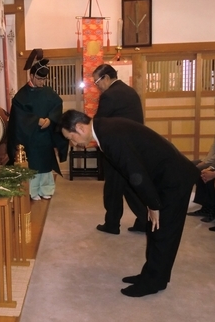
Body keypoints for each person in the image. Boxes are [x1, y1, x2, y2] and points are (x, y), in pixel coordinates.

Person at [59, 110, 199, 297]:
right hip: (163, 176)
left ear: (80, 127)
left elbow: (136, 173)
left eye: (71, 138)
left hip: (174, 179)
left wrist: (153, 205)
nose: (73, 144)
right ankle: (153, 275)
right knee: (154, 230)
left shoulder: (109, 135)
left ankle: (153, 283)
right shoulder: (104, 129)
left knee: (164, 232)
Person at [6, 49, 68, 201]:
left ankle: (46, 189)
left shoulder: (48, 92)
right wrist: (36, 120)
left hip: (45, 136)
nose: (42, 82)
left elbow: (57, 104)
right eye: (39, 79)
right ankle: (32, 191)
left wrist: (51, 119)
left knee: (46, 165)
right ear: (31, 75)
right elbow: (18, 116)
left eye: (44, 80)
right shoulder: (21, 95)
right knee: (33, 165)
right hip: (30, 137)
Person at [92, 64, 147, 234]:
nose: (97, 86)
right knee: (130, 186)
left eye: (97, 82)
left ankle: (112, 224)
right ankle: (145, 220)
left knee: (114, 187)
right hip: (134, 146)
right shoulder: (130, 92)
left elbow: (99, 122)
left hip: (117, 148)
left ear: (106, 78)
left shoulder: (109, 95)